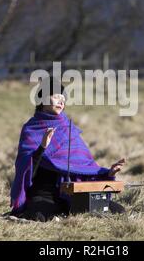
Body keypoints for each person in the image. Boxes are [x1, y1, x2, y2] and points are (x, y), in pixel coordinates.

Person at [9, 77, 126, 222]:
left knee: (119, 210)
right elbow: (26, 171)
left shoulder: (69, 128)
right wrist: (42, 147)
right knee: (38, 217)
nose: (61, 101)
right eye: (56, 96)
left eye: (63, 98)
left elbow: (84, 166)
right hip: (44, 194)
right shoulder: (31, 129)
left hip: (73, 193)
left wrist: (108, 172)